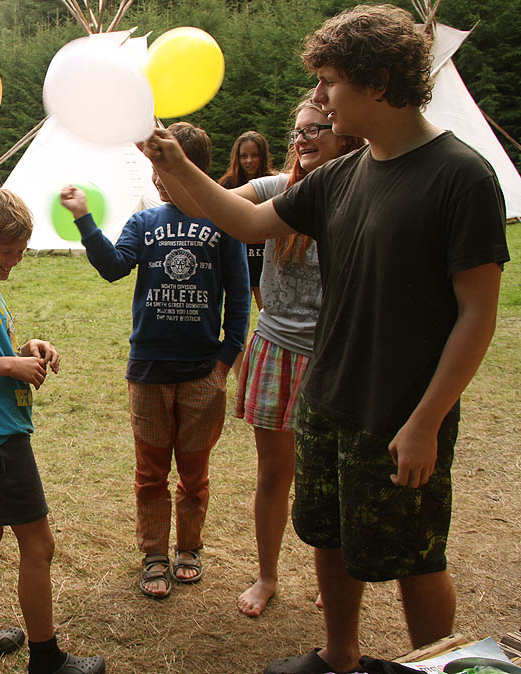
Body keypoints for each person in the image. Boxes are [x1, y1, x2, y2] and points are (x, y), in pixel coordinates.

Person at [142, 5, 508, 673]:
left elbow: (477, 314)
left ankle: (433, 665)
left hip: (400, 413)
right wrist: (178, 164)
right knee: (329, 535)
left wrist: (426, 422)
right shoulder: (340, 175)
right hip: (326, 397)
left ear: (378, 81)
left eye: (330, 81)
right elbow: (248, 223)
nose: (319, 97)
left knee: (416, 556)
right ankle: (340, 657)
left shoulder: (460, 176)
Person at [59, 121, 250, 600]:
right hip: (148, 371)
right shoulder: (145, 222)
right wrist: (84, 219)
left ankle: (189, 548)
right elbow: (113, 267)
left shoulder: (225, 221)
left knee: (194, 475)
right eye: (153, 168)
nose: (156, 177)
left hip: (203, 373)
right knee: (150, 474)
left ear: (192, 169)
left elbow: (239, 295)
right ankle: (154, 555)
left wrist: (226, 360)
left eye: (163, 166)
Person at [0, 185, 105, 674]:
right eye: (7, 251)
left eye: (21, 251)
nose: (16, 260)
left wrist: (25, 349)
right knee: (39, 544)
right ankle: (46, 658)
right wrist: (11, 365)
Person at [231, 96, 364, 618]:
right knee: (274, 475)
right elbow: (221, 202)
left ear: (345, 132)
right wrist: (169, 167)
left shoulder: (363, 189)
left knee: (332, 478)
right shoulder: (276, 190)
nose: (303, 139)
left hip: (336, 355)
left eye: (315, 129)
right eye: (298, 132)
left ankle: (333, 577)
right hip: (276, 349)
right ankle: (267, 576)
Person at [219, 131, 275, 313]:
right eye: (244, 156)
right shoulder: (227, 185)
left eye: (254, 155)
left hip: (266, 259)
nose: (249, 161)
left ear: (263, 156)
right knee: (239, 311)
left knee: (268, 311)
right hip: (239, 259)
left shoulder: (273, 182)